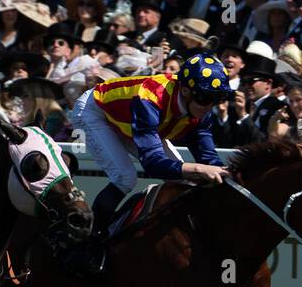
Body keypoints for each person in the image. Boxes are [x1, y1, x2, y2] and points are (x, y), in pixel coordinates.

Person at [65, 53, 230, 275]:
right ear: (185, 91)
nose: (209, 106)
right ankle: (88, 244)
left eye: (216, 99)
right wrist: (199, 169)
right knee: (125, 177)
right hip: (95, 113)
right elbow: (152, 164)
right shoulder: (150, 98)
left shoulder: (201, 111)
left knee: (183, 179)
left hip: (133, 118)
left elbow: (209, 158)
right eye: (204, 98)